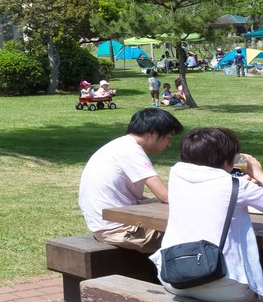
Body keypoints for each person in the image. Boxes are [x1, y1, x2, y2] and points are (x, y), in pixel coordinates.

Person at [154, 126, 263, 302]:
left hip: (173, 277)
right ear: (229, 160)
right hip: (223, 283)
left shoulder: (177, 175)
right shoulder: (237, 186)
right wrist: (260, 176)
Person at [78, 107, 184, 252]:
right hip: (119, 230)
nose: (169, 144)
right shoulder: (131, 151)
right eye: (168, 138)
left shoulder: (120, 145)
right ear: (152, 133)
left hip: (106, 224)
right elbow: (165, 196)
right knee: (191, 233)